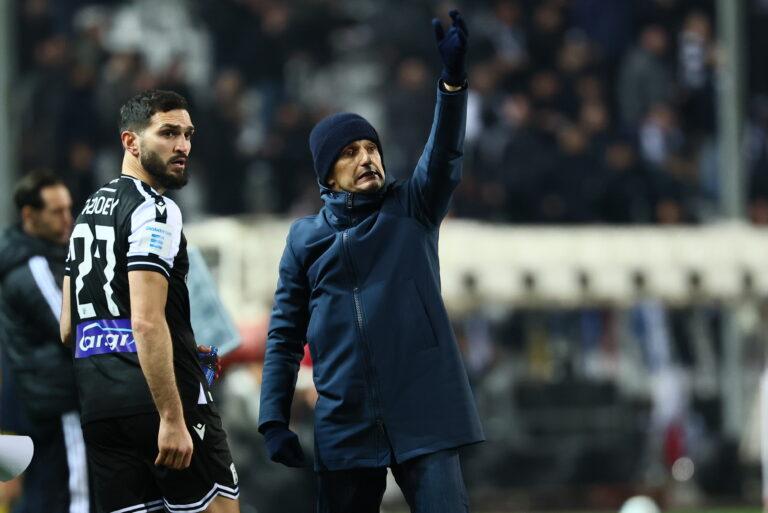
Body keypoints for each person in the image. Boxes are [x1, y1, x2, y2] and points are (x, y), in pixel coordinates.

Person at [258, 10, 484, 513]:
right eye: (349, 152)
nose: (366, 158)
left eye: (371, 148)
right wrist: (273, 417)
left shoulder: (412, 207)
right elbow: (284, 334)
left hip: (423, 413)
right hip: (344, 424)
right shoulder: (304, 239)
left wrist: (451, 85)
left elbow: (445, 154)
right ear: (327, 175)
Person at [59, 90, 240, 513]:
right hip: (161, 404)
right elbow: (145, 321)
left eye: (188, 135)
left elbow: (69, 327)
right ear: (131, 142)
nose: (183, 146)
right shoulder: (155, 209)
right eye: (169, 133)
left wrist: (168, 346)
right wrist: (172, 417)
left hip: (100, 408)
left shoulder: (85, 215)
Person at [0, 171, 91, 513]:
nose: (68, 219)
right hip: (59, 403)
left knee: (48, 497)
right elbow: (70, 329)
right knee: (76, 497)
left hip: (41, 403)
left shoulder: (41, 256)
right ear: (29, 215)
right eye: (57, 211)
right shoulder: (34, 266)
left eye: (69, 208)